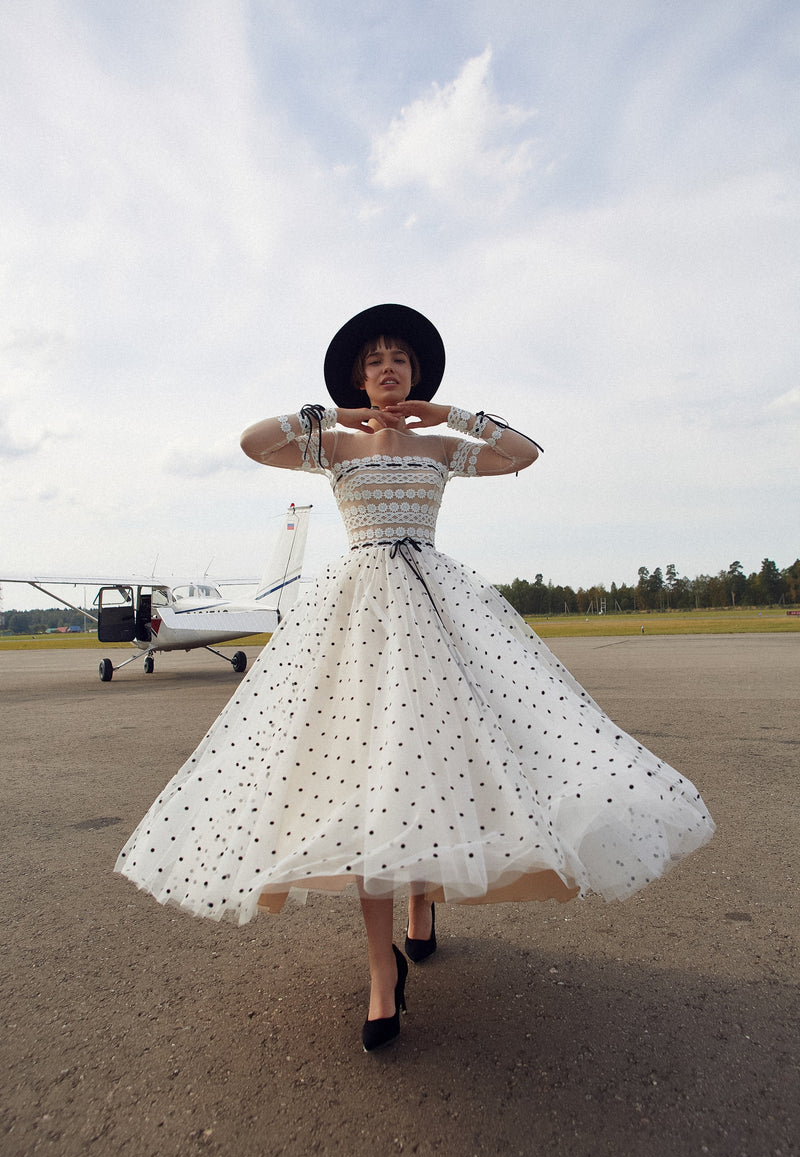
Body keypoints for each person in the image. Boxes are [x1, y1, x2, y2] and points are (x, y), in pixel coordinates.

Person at [115, 303, 714, 1052]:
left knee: (430, 763)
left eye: (399, 358)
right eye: (374, 360)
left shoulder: (437, 445)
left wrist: (450, 413)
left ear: (417, 372)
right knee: (368, 782)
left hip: (438, 609)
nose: (388, 367)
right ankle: (379, 971)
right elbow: (251, 443)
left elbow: (522, 454)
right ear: (358, 377)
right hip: (357, 615)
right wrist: (329, 413)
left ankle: (421, 907)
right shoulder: (330, 441)